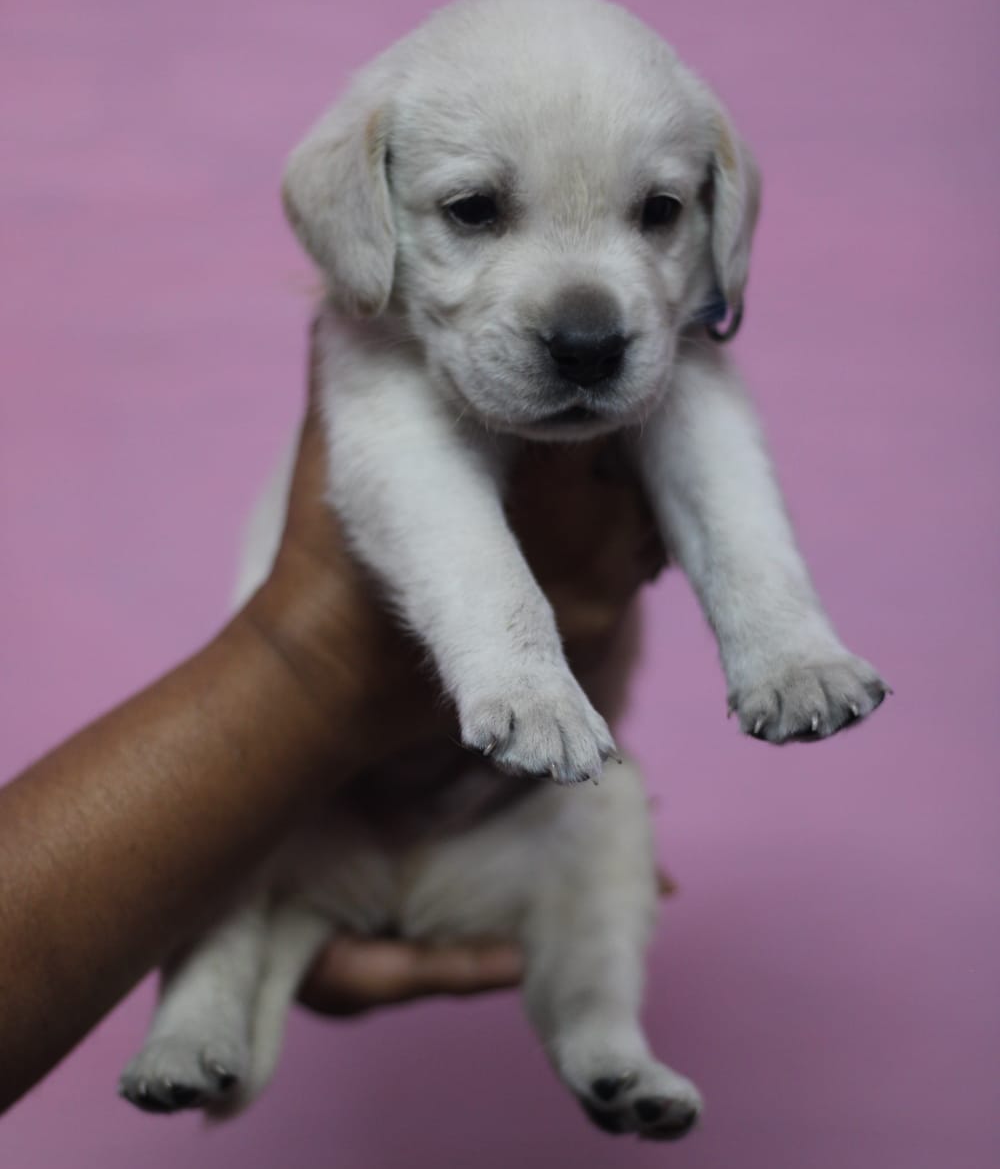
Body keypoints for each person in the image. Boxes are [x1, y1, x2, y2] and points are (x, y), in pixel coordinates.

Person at [0, 326, 666, 1115]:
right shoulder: (384, 374)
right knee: (241, 834)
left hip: (495, 813)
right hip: (336, 796)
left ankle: (600, 1034)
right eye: (476, 211)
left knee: (604, 822)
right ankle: (197, 1019)